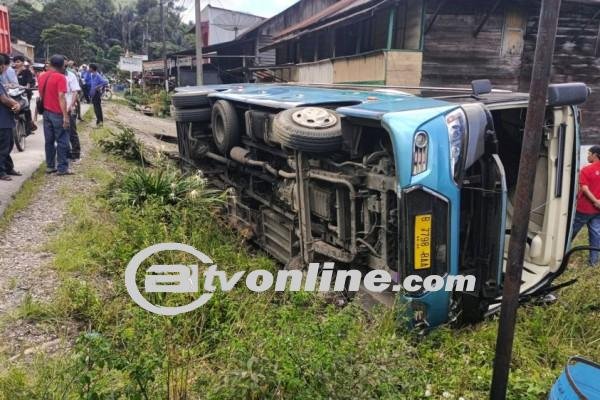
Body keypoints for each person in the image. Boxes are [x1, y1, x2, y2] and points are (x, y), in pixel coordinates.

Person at [38, 54, 71, 176]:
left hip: (46, 113)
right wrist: (66, 117)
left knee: (49, 141)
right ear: (62, 65)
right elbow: (61, 97)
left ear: (50, 64)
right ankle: (62, 168)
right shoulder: (61, 78)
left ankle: (50, 166)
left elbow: (41, 94)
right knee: (62, 140)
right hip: (57, 113)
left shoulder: (41, 76)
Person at [572, 145, 600, 266]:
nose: (587, 156)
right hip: (598, 210)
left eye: (589, 154)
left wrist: (595, 201)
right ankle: (593, 262)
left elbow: (584, 188)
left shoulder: (586, 169)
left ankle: (559, 259)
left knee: (570, 233)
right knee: (595, 234)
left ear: (595, 155)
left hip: (584, 208)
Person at [0, 53, 21, 181]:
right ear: (1, 66)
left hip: (5, 119)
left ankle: (8, 168)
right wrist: (15, 103)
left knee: (8, 144)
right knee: (3, 147)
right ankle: (1, 172)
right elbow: (3, 99)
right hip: (2, 121)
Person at [13, 55, 37, 134]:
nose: (16, 63)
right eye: (15, 62)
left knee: (26, 109)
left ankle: (29, 126)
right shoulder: (12, 71)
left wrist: (27, 87)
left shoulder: (27, 71)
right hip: (13, 94)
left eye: (18, 62)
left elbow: (30, 82)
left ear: (23, 63)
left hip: (24, 94)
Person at [64, 58, 81, 161]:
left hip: (70, 107)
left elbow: (75, 92)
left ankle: (75, 153)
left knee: (71, 131)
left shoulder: (71, 75)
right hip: (58, 108)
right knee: (62, 132)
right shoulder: (55, 76)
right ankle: (65, 152)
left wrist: (71, 106)